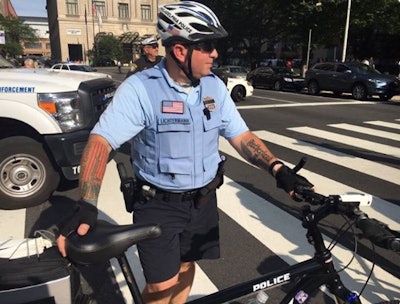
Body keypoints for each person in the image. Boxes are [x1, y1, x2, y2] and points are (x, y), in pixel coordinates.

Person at [56, 2, 313, 304]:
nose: (216, 54)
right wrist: (87, 204)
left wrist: (277, 169)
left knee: (187, 265)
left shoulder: (214, 87)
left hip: (202, 201)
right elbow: (101, 142)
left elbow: (241, 136)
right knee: (162, 286)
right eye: (207, 46)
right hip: (159, 205)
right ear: (180, 50)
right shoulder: (140, 89)